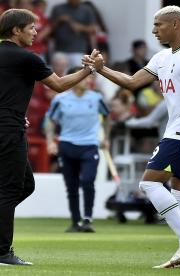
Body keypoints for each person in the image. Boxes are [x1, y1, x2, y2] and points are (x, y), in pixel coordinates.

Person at [0, 8, 100, 266]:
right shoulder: (27, 58)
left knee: (25, 185)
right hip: (7, 128)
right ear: (16, 30)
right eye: (31, 27)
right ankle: (0, 252)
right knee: (11, 188)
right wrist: (89, 70)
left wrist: (7, 109)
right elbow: (58, 85)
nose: (36, 32)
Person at [83, 5, 180, 268]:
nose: (154, 30)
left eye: (159, 25)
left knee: (149, 184)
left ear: (176, 24)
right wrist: (101, 69)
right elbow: (132, 82)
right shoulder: (162, 57)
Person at [45, 66, 110, 233]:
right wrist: (50, 141)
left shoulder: (96, 98)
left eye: (89, 77)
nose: (88, 80)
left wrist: (105, 138)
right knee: (71, 186)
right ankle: (75, 221)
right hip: (67, 145)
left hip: (89, 145)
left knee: (88, 181)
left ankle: (87, 219)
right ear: (74, 79)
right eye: (84, 77)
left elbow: (107, 117)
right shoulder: (61, 99)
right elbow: (51, 121)